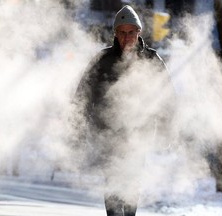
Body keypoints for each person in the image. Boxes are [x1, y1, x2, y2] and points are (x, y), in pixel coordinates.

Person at [74, 5, 170, 216]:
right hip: (107, 133)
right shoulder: (102, 61)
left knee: (132, 182)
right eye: (122, 32)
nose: (127, 37)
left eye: (131, 32)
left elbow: (166, 98)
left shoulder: (152, 60)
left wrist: (166, 130)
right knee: (113, 182)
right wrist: (77, 130)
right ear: (115, 34)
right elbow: (82, 95)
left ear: (139, 32)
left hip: (139, 134)